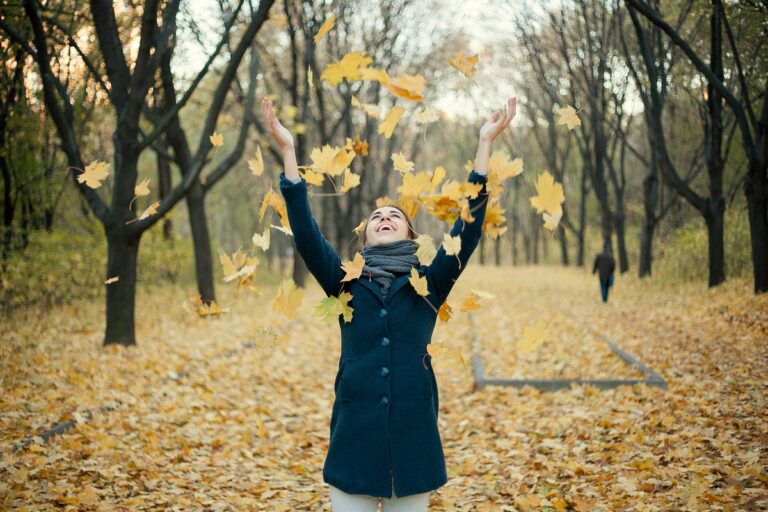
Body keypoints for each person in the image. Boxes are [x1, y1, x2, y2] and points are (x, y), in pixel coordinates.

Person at [261, 95, 516, 512]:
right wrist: (289, 152)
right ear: (366, 238)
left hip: (413, 442)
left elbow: (466, 233)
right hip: (354, 440)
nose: (384, 217)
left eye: (394, 215)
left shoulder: (428, 284)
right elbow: (306, 235)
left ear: (410, 236)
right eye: (376, 216)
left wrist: (485, 143)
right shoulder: (346, 283)